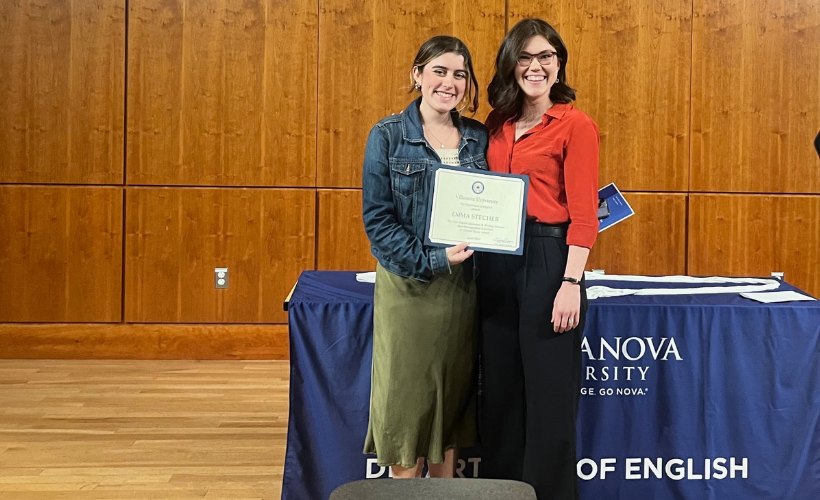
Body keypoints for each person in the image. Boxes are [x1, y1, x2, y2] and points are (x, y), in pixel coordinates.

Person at [478, 18, 600, 499]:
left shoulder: (575, 124)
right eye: (525, 57)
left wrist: (570, 283)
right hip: (496, 260)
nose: (536, 66)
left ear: (558, 64)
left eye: (546, 56)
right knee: (502, 394)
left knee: (548, 400)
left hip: (551, 261)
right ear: (511, 64)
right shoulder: (495, 124)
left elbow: (585, 214)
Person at [361, 35, 489, 478]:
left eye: (459, 74)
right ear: (417, 75)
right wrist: (435, 259)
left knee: (449, 409)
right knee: (407, 410)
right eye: (439, 70)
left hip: (462, 292)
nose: (449, 82)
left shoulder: (477, 137)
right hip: (409, 290)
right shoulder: (387, 135)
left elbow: (493, 208)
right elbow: (378, 224)